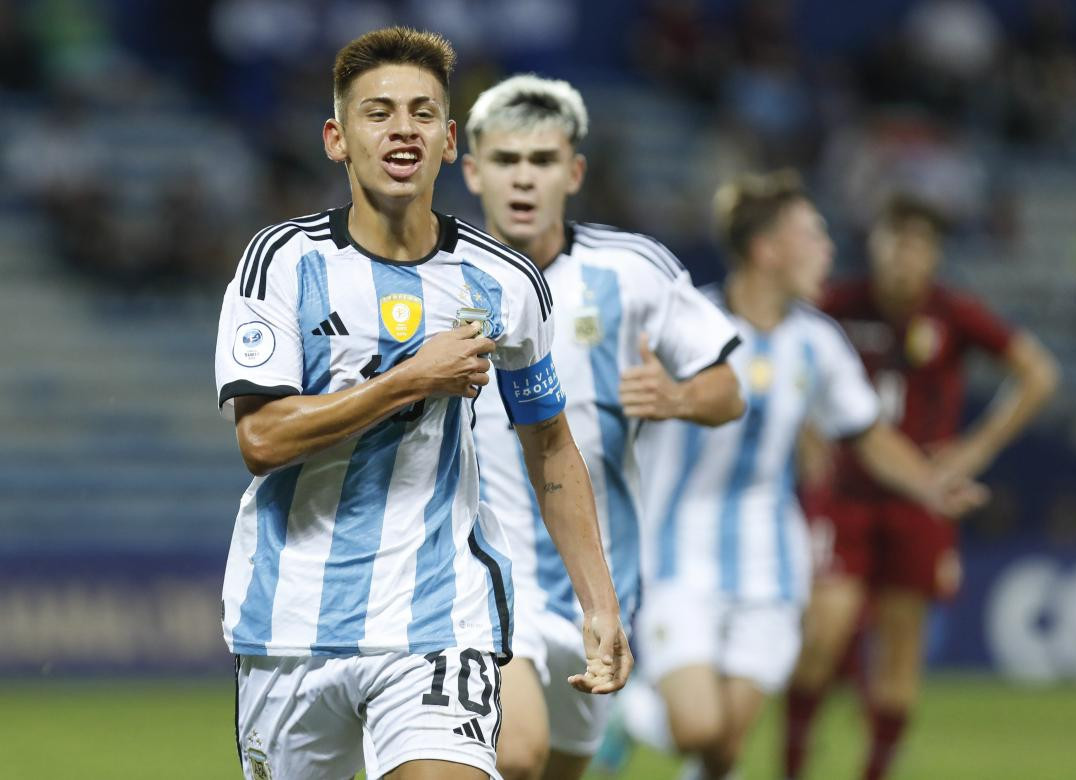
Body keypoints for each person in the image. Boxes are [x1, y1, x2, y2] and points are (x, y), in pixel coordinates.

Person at [213, 29, 630, 780]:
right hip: (290, 625)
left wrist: (597, 602)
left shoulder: (502, 282)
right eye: (378, 113)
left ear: (447, 141)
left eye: (422, 113)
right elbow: (263, 439)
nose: (402, 127)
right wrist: (409, 378)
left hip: (439, 617)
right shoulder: (281, 263)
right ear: (337, 140)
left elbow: (550, 444)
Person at [623, 172, 987, 780]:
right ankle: (631, 715)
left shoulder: (818, 341)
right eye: (812, 236)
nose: (829, 249)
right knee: (697, 728)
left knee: (724, 749)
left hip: (770, 567)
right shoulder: (681, 324)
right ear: (768, 251)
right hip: (675, 558)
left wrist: (931, 486)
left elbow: (868, 436)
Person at [459, 74, 745, 780]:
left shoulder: (634, 270)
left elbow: (729, 388)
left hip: (601, 581)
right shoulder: (443, 275)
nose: (524, 178)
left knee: (557, 769)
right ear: (471, 171)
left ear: (574, 171)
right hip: (482, 573)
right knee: (515, 755)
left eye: (543, 161)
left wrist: (678, 397)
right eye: (505, 160)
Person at [784, 194, 1060, 780]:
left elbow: (1039, 373)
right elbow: (787, 356)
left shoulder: (953, 314)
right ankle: (794, 761)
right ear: (875, 246)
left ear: (934, 255)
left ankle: (875, 770)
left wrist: (976, 449)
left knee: (899, 649)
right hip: (845, 497)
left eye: (917, 245)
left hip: (920, 500)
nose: (903, 257)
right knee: (822, 633)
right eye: (893, 242)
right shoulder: (838, 306)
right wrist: (807, 432)